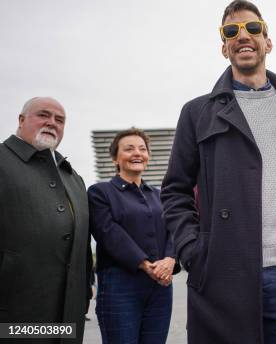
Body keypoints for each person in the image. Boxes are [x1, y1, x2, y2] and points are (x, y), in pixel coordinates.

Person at [161, 0, 276, 344]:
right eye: (232, 31)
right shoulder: (197, 112)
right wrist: (193, 251)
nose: (243, 36)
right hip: (223, 268)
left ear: (268, 42)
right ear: (224, 47)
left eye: (252, 28)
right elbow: (174, 190)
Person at [0, 97, 92, 343]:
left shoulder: (74, 178)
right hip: (14, 314)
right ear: (21, 120)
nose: (52, 123)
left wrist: (84, 290)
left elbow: (82, 243)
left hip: (67, 313)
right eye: (43, 115)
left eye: (59, 120)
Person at [88, 128, 178, 343]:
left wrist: (170, 259)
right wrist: (147, 266)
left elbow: (173, 230)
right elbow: (109, 233)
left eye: (142, 149)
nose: (137, 153)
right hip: (120, 286)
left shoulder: (160, 195)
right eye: (129, 149)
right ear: (115, 159)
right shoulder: (100, 192)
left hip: (160, 287)